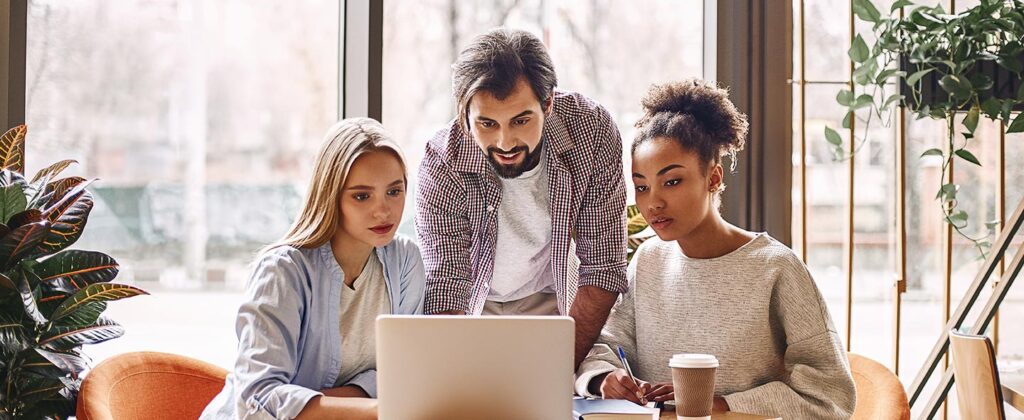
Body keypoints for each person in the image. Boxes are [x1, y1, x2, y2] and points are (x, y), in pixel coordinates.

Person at [575, 80, 856, 419]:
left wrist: (722, 405)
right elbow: (605, 345)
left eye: (672, 181)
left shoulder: (776, 268)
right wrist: (606, 378)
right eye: (641, 187)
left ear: (713, 178)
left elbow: (830, 396)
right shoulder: (648, 260)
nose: (654, 203)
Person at [415, 27, 628, 367]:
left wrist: (556, 369)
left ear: (548, 103)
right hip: (470, 308)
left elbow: (602, 267)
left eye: (521, 120)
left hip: (553, 302)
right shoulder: (443, 159)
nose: (505, 142)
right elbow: (447, 282)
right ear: (464, 114)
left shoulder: (593, 130)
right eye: (486, 124)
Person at [202, 118, 425, 420]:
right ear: (331, 196)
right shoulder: (282, 272)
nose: (383, 210)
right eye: (362, 196)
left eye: (394, 192)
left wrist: (333, 403)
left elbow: (402, 371)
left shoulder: (405, 260)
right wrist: (374, 408)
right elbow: (257, 399)